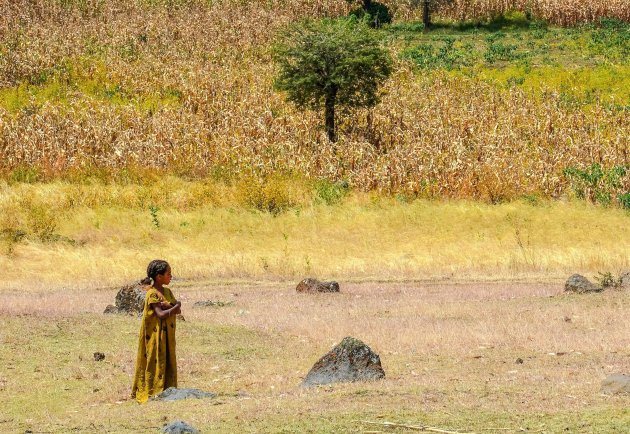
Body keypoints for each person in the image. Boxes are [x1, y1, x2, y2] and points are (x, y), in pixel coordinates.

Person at [131, 259, 182, 403]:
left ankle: (167, 388)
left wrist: (173, 307)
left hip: (167, 336)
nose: (171, 276)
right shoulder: (152, 294)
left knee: (167, 359)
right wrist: (175, 307)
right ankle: (153, 390)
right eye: (168, 274)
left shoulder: (167, 291)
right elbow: (161, 313)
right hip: (154, 336)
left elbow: (172, 307)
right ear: (159, 277)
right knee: (154, 360)